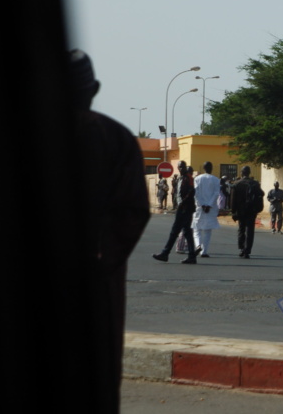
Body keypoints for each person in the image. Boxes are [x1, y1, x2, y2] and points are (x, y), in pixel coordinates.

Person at [68, 49, 151, 412]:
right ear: (94, 88)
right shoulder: (113, 137)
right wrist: (100, 263)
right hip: (98, 280)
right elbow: (132, 213)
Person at [153, 161, 199, 264]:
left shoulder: (188, 178)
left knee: (174, 231)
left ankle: (165, 253)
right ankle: (192, 255)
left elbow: (191, 191)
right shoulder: (180, 178)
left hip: (185, 208)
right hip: (182, 206)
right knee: (187, 232)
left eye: (183, 167)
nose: (181, 169)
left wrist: (183, 202)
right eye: (180, 167)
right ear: (178, 168)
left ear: (185, 167)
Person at [230, 165, 264, 258]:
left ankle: (241, 248)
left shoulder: (237, 184)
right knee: (250, 230)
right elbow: (261, 194)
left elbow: (232, 200)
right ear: (249, 173)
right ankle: (247, 250)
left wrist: (233, 212)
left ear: (241, 173)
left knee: (241, 229)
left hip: (241, 211)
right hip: (252, 210)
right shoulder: (255, 184)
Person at [192, 161, 221, 257]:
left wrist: (202, 204)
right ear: (211, 168)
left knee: (197, 229)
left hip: (199, 207)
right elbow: (216, 194)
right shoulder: (216, 180)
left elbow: (196, 193)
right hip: (211, 208)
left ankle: (198, 245)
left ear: (203, 168)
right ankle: (204, 252)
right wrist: (208, 205)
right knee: (208, 231)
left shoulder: (197, 179)